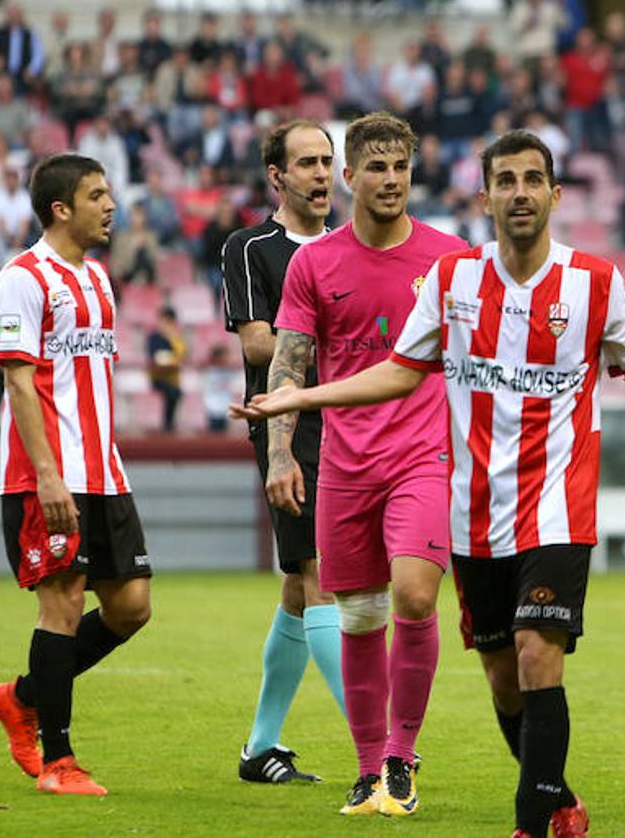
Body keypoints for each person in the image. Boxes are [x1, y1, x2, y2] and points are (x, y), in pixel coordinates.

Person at [234, 129, 625, 837]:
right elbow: (400, 370)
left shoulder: (594, 282)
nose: (520, 193)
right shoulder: (454, 280)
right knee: (503, 677)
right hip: (475, 508)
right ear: (484, 198)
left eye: (532, 180)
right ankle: (553, 796)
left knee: (531, 649)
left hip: (553, 504)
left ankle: (518, 817)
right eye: (505, 181)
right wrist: (300, 401)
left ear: (556, 194)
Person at [238, 112, 464, 818]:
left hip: (422, 456)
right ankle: (369, 772)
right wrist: (281, 454)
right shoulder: (314, 264)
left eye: (401, 167)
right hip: (344, 464)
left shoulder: (450, 259)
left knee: (415, 596)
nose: (391, 180)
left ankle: (401, 755)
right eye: (377, 167)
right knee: (361, 616)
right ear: (350, 176)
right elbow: (287, 365)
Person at [0, 153, 152, 797]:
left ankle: (23, 696)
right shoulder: (22, 278)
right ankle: (58, 762)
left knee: (131, 607)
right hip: (48, 474)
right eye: (96, 195)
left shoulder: (99, 278)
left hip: (104, 471)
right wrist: (49, 476)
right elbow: (19, 383)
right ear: (61, 209)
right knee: (62, 605)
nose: (110, 206)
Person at [220, 119, 345, 783]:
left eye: (327, 161)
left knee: (300, 586)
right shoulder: (250, 248)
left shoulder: (350, 246)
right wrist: (348, 345)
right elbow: (258, 344)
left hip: (351, 422)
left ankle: (260, 748)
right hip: (291, 428)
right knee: (323, 576)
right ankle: (383, 750)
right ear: (277, 176)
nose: (322, 174)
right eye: (307, 163)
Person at [147, 307, 186, 433]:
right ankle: (168, 425)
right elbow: (154, 357)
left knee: (176, 392)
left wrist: (171, 337)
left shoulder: (176, 337)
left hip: (172, 377)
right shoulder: (154, 337)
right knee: (173, 392)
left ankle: (169, 424)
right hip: (157, 376)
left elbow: (181, 355)